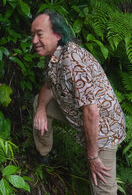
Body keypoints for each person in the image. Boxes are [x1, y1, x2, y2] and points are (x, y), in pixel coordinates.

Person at [31, 10, 126, 195]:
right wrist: (42, 108)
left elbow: (92, 113)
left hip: (103, 129)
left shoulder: (73, 63)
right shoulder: (54, 55)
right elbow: (48, 86)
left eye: (39, 34)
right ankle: (43, 156)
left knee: (102, 188)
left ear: (57, 34)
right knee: (38, 102)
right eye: (32, 35)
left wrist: (92, 156)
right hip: (78, 115)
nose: (34, 40)